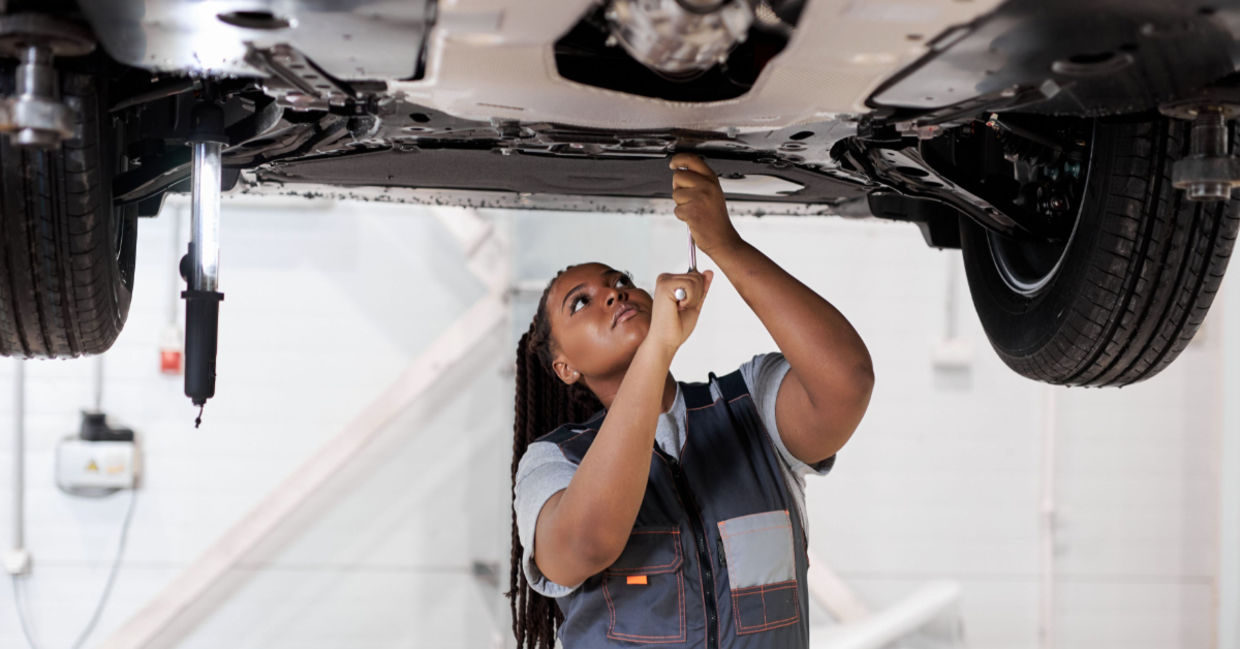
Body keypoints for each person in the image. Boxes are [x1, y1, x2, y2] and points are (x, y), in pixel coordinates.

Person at [507, 153, 874, 649]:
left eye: (620, 282)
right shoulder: (552, 463)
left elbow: (847, 381)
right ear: (566, 368)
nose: (614, 295)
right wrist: (657, 348)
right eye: (582, 302)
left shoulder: (751, 409)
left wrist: (724, 243)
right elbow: (583, 543)